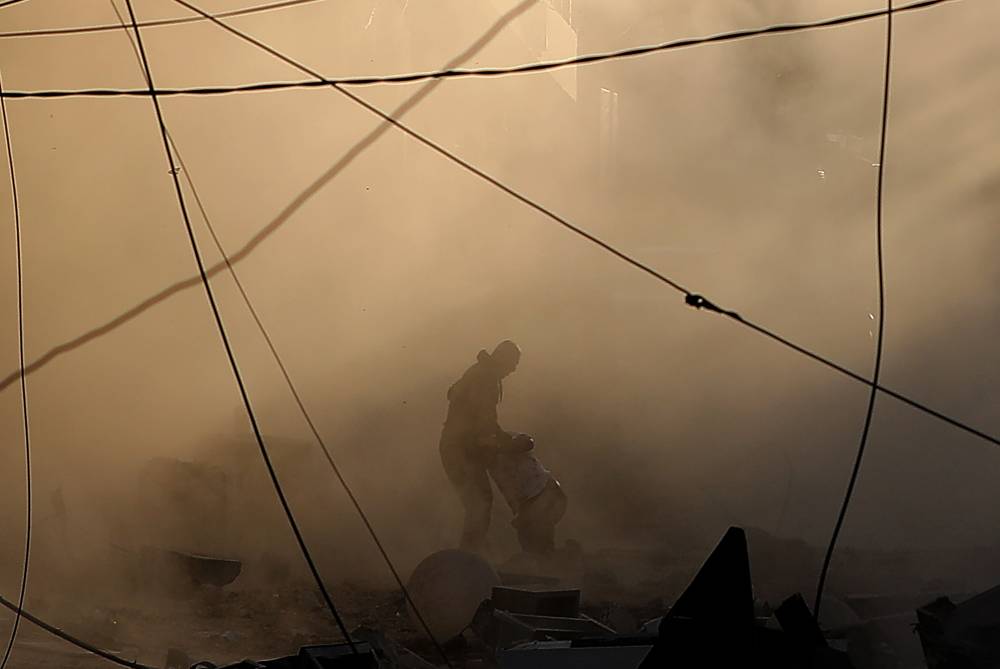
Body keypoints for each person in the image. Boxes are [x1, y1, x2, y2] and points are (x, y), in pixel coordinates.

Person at [439, 340, 521, 553]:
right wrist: (507, 444)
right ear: (503, 359)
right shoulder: (486, 379)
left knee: (479, 503)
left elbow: (484, 420)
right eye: (513, 363)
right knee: (479, 504)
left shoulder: (480, 372)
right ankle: (468, 557)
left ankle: (473, 552)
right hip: (461, 450)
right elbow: (483, 421)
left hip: (457, 447)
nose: (513, 369)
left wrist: (502, 438)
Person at [489, 434, 567, 556]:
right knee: (535, 537)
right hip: (545, 496)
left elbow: (526, 442)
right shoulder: (502, 464)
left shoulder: (511, 458)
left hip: (545, 495)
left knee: (537, 535)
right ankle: (543, 557)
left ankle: (544, 557)